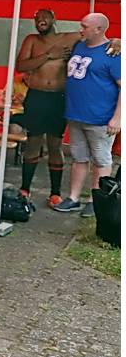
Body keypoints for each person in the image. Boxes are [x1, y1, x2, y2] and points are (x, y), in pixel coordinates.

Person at [16, 8, 120, 208]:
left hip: (59, 98)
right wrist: (49, 55)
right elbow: (21, 66)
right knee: (33, 143)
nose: (40, 21)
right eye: (37, 18)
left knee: (55, 145)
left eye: (45, 17)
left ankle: (56, 193)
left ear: (54, 19)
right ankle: (25, 188)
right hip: (36, 96)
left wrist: (118, 41)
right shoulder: (32, 40)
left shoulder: (72, 38)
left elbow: (99, 38)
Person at [53, 13, 121, 217]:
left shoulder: (113, 53)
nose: (80, 29)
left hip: (100, 118)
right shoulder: (79, 45)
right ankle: (73, 197)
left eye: (84, 26)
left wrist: (118, 118)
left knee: (101, 160)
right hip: (76, 115)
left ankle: (96, 200)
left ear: (99, 29)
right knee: (79, 157)